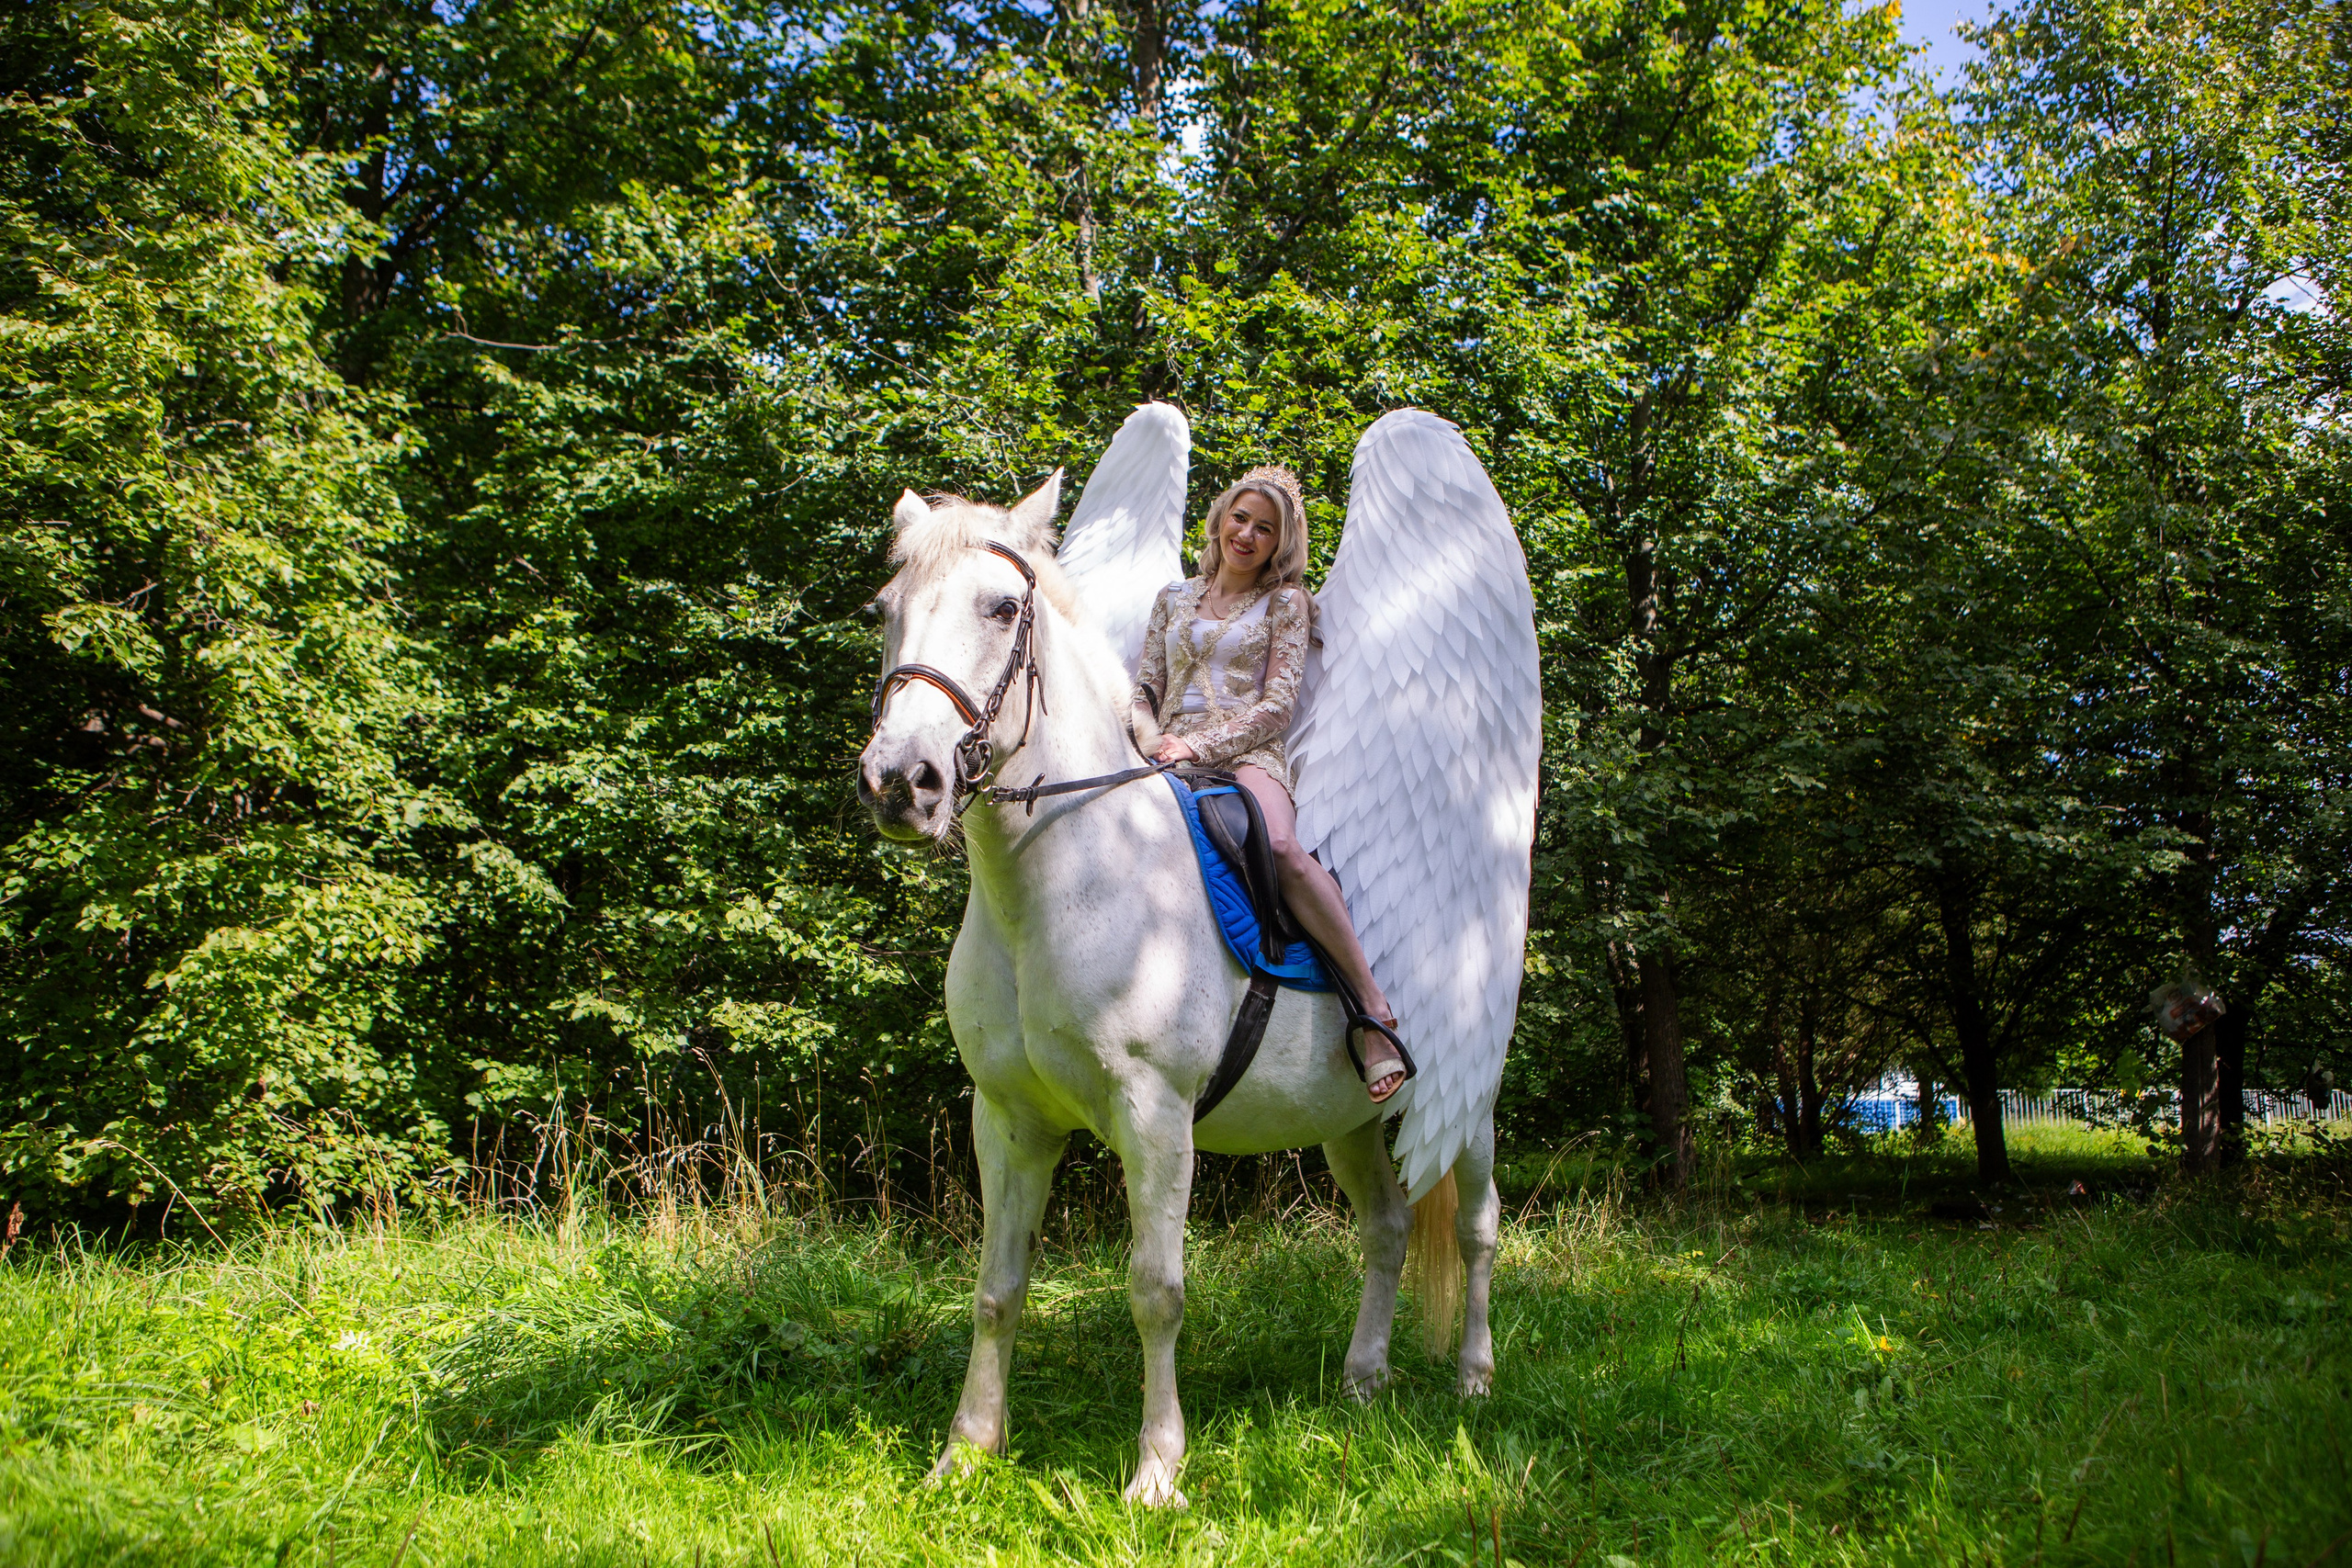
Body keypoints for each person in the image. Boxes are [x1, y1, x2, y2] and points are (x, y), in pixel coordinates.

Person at [1132, 466, 1409, 1102]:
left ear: (1280, 543)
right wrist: (1147, 734)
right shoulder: (1173, 596)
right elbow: (1145, 684)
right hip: (1162, 754)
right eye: (1241, 518)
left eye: (1265, 528)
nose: (1248, 534)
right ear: (1220, 518)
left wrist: (1197, 744)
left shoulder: (1286, 603)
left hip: (1250, 756)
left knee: (1282, 848)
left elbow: (1278, 705)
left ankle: (1372, 1012)